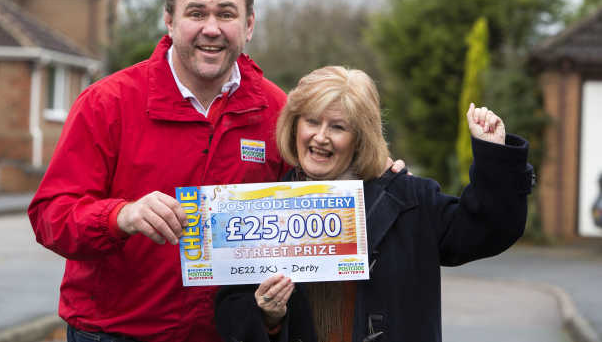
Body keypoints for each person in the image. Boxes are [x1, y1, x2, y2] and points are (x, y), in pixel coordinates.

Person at [28, 0, 405, 342]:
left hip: (226, 334)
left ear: (249, 25)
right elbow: (50, 217)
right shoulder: (107, 103)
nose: (212, 28)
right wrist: (121, 216)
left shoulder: (278, 111)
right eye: (196, 13)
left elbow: (315, 182)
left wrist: (372, 171)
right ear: (170, 21)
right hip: (114, 333)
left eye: (226, 13)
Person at [215, 66, 534, 342]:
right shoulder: (262, 207)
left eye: (338, 127)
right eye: (312, 121)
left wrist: (495, 156)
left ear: (360, 137)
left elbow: (488, 228)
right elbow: (232, 311)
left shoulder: (409, 199)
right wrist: (269, 317)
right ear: (294, 125)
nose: (321, 137)